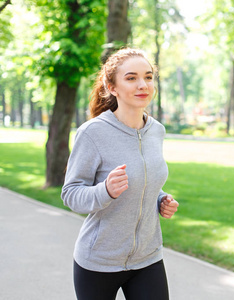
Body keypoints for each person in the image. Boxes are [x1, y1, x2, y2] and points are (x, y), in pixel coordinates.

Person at [61, 47, 179, 300]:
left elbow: (145, 180)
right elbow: (71, 194)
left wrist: (161, 199)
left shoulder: (156, 131)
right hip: (98, 261)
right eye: (131, 77)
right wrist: (105, 191)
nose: (143, 85)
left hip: (147, 258)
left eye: (148, 77)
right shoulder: (93, 133)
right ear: (112, 87)